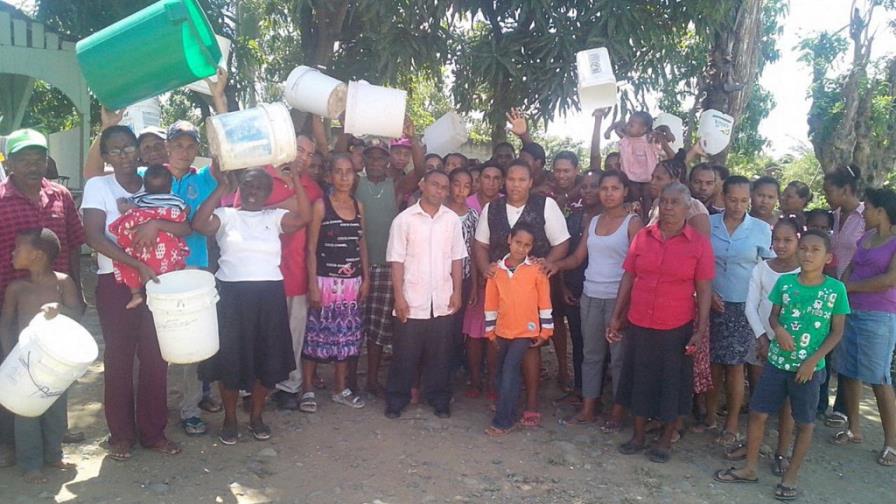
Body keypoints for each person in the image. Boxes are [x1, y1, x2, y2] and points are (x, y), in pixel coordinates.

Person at [714, 230, 849, 501]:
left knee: (805, 422)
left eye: (815, 250)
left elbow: (836, 332)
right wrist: (778, 330)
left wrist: (813, 361)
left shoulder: (835, 289)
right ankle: (750, 467)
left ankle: (790, 476)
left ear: (828, 257)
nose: (808, 255)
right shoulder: (786, 283)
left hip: (808, 370)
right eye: (805, 249)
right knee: (758, 412)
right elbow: (774, 315)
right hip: (776, 363)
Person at [81, 125, 189, 460]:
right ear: (106, 156)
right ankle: (121, 436)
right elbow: (94, 237)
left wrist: (156, 225)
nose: (124, 155)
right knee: (119, 359)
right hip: (115, 282)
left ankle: (153, 433)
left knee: (157, 358)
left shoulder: (155, 181)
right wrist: (135, 264)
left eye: (129, 148)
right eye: (115, 150)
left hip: (157, 282)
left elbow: (185, 225)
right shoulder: (99, 186)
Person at [193, 166, 311, 445]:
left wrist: (294, 179)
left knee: (266, 359)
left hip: (269, 296)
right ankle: (230, 418)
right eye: (247, 185)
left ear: (269, 193)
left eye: (259, 187)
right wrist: (222, 188)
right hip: (232, 296)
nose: (252, 191)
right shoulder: (225, 216)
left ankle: (257, 416)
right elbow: (199, 224)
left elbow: (305, 216)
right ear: (239, 188)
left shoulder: (276, 217)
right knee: (230, 359)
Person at [0, 128, 87, 463]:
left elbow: (75, 244)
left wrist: (76, 288)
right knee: (11, 371)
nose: (33, 166)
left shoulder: (61, 196)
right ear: (10, 163)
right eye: (25, 160)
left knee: (53, 370)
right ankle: (11, 443)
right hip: (12, 303)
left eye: (39, 159)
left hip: (55, 302)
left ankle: (53, 438)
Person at [610, 182, 714, 463]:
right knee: (639, 379)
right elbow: (629, 277)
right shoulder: (643, 237)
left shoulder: (699, 244)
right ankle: (639, 435)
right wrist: (617, 316)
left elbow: (704, 288)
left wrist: (701, 329)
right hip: (640, 320)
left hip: (676, 325)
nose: (667, 207)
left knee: (672, 383)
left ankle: (666, 440)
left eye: (674, 203)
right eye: (663, 202)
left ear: (687, 207)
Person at [473, 159, 570, 427]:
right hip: (501, 287)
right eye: (511, 179)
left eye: (521, 180)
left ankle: (531, 403)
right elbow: (480, 245)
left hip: (531, 289)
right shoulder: (492, 209)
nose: (516, 185)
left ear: (530, 182)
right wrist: (485, 269)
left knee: (529, 345)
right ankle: (500, 393)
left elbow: (561, 242)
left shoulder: (545, 205)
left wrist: (549, 262)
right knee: (496, 342)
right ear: (505, 182)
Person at [233, 135, 324, 411]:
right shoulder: (259, 178)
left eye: (309, 154)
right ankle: (250, 387)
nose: (303, 157)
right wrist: (285, 207)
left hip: (294, 270)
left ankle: (288, 387)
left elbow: (308, 224)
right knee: (256, 333)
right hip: (255, 272)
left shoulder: (311, 187)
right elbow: (238, 215)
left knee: (293, 333)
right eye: (299, 149)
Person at [545, 170, 642, 427]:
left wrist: (624, 308)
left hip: (617, 299)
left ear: (625, 191)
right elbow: (578, 258)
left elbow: (636, 268)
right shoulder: (594, 220)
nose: (609, 193)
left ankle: (617, 413)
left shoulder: (633, 223)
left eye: (614, 188)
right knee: (591, 355)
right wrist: (555, 265)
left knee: (619, 358)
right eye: (604, 188)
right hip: (590, 295)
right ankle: (589, 408)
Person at [0, 228, 84, 483]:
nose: (12, 252)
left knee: (55, 411)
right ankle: (31, 464)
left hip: (55, 363)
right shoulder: (16, 288)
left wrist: (60, 309)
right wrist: (7, 355)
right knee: (26, 414)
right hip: (24, 362)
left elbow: (77, 312)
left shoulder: (63, 282)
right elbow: (6, 323)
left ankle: (53, 454)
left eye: (17, 248)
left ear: (36, 255)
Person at [384, 170, 466, 419]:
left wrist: (457, 292)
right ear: (422, 185)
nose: (439, 190)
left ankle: (439, 399)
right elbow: (396, 261)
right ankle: (397, 400)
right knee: (405, 354)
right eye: (434, 185)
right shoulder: (404, 220)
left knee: (441, 355)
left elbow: (456, 259)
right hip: (412, 297)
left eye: (444, 187)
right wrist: (399, 297)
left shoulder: (452, 220)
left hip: (442, 297)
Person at [705, 176, 773, 447]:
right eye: (732, 199)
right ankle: (708, 416)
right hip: (710, 302)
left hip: (744, 306)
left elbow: (766, 272)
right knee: (711, 364)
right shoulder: (709, 224)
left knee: (735, 366)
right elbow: (700, 262)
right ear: (723, 196)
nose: (738, 205)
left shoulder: (761, 229)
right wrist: (707, 293)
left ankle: (731, 422)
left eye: (744, 200)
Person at [832, 187, 896, 466]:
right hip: (852, 311)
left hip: (880, 315)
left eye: (868, 207)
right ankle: (853, 429)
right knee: (848, 370)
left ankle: (891, 443)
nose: (864, 211)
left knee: (879, 378)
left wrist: (849, 287)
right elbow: (851, 267)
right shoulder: (867, 237)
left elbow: (889, 279)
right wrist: (842, 288)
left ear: (881, 211)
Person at [732, 218, 801, 474]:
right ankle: (752, 445)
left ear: (798, 241)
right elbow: (750, 305)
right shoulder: (762, 268)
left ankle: (781, 452)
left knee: (786, 404)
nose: (781, 245)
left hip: (789, 346)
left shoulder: (802, 273)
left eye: (788, 240)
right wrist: (761, 338)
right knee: (759, 399)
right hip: (761, 342)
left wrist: (780, 340)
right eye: (777, 240)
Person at [300, 154, 368, 412]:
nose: (343, 177)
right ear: (329, 176)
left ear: (354, 176)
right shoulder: (321, 206)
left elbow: (361, 243)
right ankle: (307, 390)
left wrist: (366, 279)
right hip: (325, 281)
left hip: (351, 283)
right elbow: (310, 248)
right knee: (315, 337)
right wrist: (313, 285)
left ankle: (340, 388)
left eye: (348, 172)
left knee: (346, 338)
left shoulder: (358, 206)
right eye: (338, 172)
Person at [484, 224, 553, 436]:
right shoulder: (497, 271)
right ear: (509, 240)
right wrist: (490, 331)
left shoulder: (536, 271)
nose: (521, 249)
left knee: (510, 372)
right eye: (518, 243)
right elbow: (491, 303)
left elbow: (545, 302)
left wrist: (545, 331)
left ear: (532, 247)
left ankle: (503, 421)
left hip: (526, 331)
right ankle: (509, 410)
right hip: (503, 330)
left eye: (527, 245)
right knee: (503, 371)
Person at [109, 164, 190, 309]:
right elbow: (185, 213)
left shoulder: (140, 197)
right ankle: (165, 295)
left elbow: (129, 207)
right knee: (170, 271)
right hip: (166, 248)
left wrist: (124, 207)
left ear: (144, 186)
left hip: (141, 245)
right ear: (170, 184)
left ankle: (136, 294)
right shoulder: (176, 200)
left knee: (128, 264)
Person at [821, 164, 864, 428]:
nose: (826, 195)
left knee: (848, 350)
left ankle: (844, 409)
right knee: (825, 346)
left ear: (846, 190)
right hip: (829, 292)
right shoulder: (833, 217)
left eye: (829, 191)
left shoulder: (866, 216)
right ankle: (820, 401)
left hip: (854, 293)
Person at [464, 162, 504, 399]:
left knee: (493, 333)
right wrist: (478, 276)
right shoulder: (467, 204)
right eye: (486, 177)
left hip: (499, 278)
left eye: (496, 178)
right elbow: (471, 245)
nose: (490, 182)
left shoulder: (505, 205)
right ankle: (475, 380)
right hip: (472, 276)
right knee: (474, 333)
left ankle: (492, 380)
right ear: (479, 180)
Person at [445, 169, 479, 384]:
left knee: (459, 327)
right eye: (457, 184)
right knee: (442, 328)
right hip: (440, 280)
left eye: (466, 186)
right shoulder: (440, 212)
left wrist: (475, 285)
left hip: (465, 279)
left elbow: (475, 252)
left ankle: (456, 369)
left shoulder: (474, 216)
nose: (461, 190)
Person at [611, 111, 674, 216]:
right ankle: (636, 215)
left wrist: (668, 132)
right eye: (628, 124)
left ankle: (648, 215)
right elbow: (617, 126)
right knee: (634, 196)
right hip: (630, 177)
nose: (627, 126)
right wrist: (609, 130)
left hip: (648, 177)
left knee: (647, 196)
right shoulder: (626, 139)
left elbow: (662, 129)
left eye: (631, 125)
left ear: (643, 129)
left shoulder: (650, 138)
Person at [646, 154, 711, 236]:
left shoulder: (694, 207)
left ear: (675, 180)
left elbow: (702, 244)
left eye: (659, 178)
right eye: (652, 177)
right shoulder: (657, 203)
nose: (652, 182)